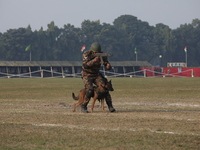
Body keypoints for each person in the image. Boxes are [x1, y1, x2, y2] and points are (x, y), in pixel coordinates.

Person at [81, 42, 116, 113]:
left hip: (96, 74)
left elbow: (106, 64)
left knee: (105, 88)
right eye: (95, 53)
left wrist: (108, 66)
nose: (96, 54)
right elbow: (85, 65)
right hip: (87, 74)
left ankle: (110, 106)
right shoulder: (86, 54)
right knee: (90, 90)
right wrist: (93, 61)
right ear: (92, 51)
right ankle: (84, 106)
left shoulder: (102, 55)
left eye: (97, 52)